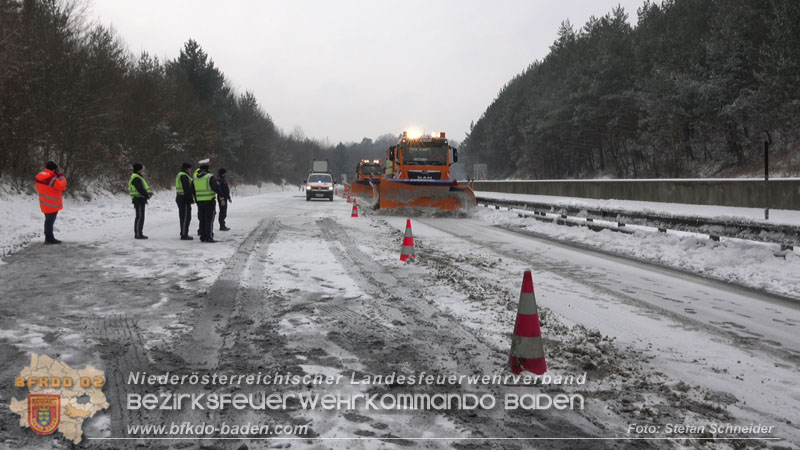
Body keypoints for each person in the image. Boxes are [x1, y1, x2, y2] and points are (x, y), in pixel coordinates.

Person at [35, 161, 68, 244]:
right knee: (49, 222)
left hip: (44, 203)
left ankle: (48, 237)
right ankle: (49, 239)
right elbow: (63, 186)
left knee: (48, 221)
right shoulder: (51, 179)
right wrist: (61, 176)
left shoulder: (40, 176)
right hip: (52, 204)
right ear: (54, 169)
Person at [194, 162, 220, 243]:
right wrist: (222, 195)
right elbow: (215, 188)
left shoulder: (195, 177)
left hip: (199, 202)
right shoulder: (209, 177)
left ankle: (203, 236)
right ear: (208, 169)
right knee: (209, 220)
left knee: (202, 219)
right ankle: (209, 237)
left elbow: (192, 189)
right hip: (209, 201)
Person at [129, 163, 153, 239]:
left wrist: (149, 193)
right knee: (139, 217)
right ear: (138, 170)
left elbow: (143, 188)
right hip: (138, 199)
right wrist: (147, 195)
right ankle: (138, 234)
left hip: (140, 199)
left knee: (140, 216)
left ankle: (139, 233)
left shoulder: (138, 177)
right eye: (141, 169)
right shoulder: (136, 178)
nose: (142, 170)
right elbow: (140, 189)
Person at [176, 162, 195, 240]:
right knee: (186, 217)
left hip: (180, 197)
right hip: (184, 198)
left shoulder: (181, 174)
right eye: (190, 168)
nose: (190, 170)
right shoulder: (184, 176)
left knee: (183, 216)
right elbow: (187, 189)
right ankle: (184, 234)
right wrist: (190, 199)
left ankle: (183, 232)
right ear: (187, 169)